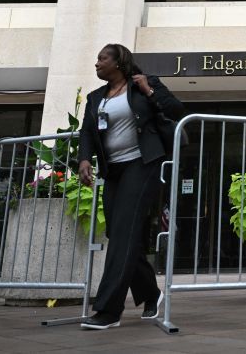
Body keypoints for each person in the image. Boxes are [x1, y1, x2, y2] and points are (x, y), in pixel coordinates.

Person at [77, 43, 185, 330]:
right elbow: (87, 132)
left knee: (124, 232)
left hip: (143, 164)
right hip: (114, 170)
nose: (97, 63)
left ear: (118, 62)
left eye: (102, 58)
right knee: (119, 233)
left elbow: (176, 110)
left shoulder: (143, 85)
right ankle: (151, 293)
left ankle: (108, 310)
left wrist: (150, 92)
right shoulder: (95, 97)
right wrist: (84, 159)